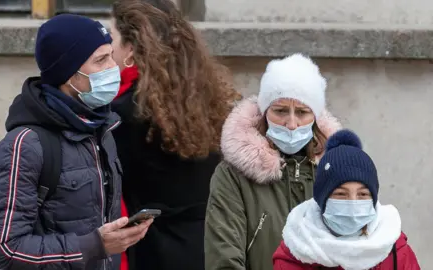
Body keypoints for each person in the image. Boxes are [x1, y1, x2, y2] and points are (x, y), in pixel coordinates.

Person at [0, 14, 152, 270]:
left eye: (111, 56)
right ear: (68, 75)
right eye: (100, 60)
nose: (113, 68)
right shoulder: (25, 145)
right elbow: (0, 249)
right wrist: (94, 245)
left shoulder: (100, 128)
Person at [108, 0, 241, 269]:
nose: (107, 48)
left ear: (130, 49)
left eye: (111, 37)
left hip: (151, 251)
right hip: (211, 245)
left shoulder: (122, 113)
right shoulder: (209, 102)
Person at [204, 53, 342, 270]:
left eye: (303, 112)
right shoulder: (233, 176)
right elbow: (224, 259)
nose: (291, 123)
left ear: (315, 116)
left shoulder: (337, 173)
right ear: (264, 112)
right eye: (280, 111)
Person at [273, 129, 421, 270]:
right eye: (341, 194)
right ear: (322, 200)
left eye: (363, 194)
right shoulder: (295, 254)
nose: (352, 203)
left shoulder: (394, 249)